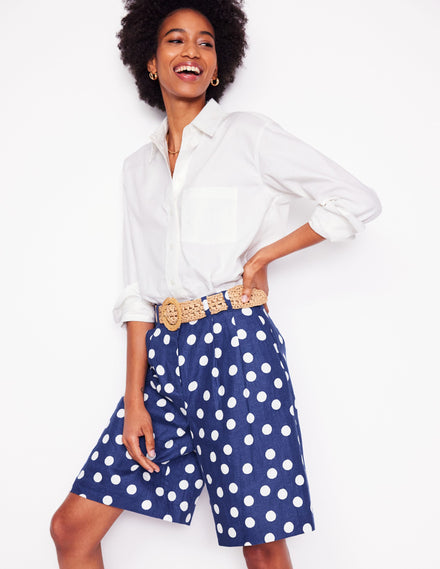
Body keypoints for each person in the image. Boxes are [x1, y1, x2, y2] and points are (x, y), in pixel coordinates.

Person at [50, 1, 382, 568]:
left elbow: (357, 201)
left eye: (205, 42)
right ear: (151, 61)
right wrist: (135, 399)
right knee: (71, 529)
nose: (192, 52)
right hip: (165, 358)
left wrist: (265, 255)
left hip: (238, 348)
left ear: (218, 64)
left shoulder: (248, 136)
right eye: (175, 40)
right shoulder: (138, 167)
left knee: (261, 542)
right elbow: (138, 293)